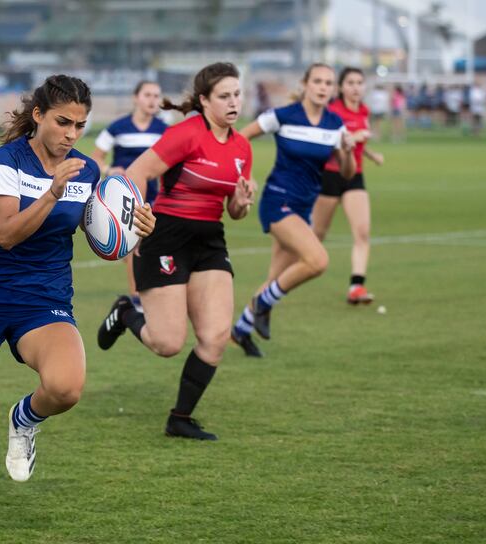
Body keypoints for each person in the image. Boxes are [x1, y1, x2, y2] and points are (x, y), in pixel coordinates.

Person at [0, 74, 155, 536]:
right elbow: (7, 234)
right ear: (38, 116)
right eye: (63, 122)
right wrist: (52, 191)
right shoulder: (8, 160)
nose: (72, 135)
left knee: (66, 388)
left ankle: (24, 419)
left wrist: (132, 229)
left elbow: (100, 240)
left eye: (80, 125)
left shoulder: (86, 170)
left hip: (45, 297)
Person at [96, 62, 255, 441]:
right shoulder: (186, 133)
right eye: (224, 96)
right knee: (167, 343)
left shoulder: (242, 147)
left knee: (215, 337)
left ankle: (180, 418)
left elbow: (234, 211)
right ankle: (124, 313)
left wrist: (241, 203)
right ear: (204, 101)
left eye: (237, 94)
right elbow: (136, 172)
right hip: (166, 235)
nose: (234, 102)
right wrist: (138, 218)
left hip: (209, 240)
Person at [230, 63, 355, 357]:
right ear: (306, 84)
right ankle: (262, 304)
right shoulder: (283, 116)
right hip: (277, 201)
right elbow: (239, 139)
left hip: (303, 207)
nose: (323, 87)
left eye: (328, 83)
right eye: (318, 81)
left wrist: (347, 150)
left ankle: (241, 330)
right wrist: (242, 174)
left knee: (276, 278)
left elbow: (348, 173)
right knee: (317, 260)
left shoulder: (335, 125)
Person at [91, 81, 169, 308]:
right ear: (136, 98)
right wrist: (108, 170)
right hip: (123, 199)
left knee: (151, 246)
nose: (153, 100)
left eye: (157, 95)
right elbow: (96, 157)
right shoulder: (117, 127)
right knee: (134, 245)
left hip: (154, 197)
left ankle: (147, 294)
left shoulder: (164, 130)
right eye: (148, 95)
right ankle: (136, 299)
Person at [311, 67, 384, 305]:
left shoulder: (364, 110)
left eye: (359, 83)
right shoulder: (332, 111)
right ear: (341, 87)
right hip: (331, 176)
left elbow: (359, 144)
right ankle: (283, 277)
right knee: (316, 236)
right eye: (350, 83)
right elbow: (326, 144)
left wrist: (371, 155)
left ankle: (357, 286)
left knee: (362, 232)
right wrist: (353, 137)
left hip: (355, 177)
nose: (355, 87)